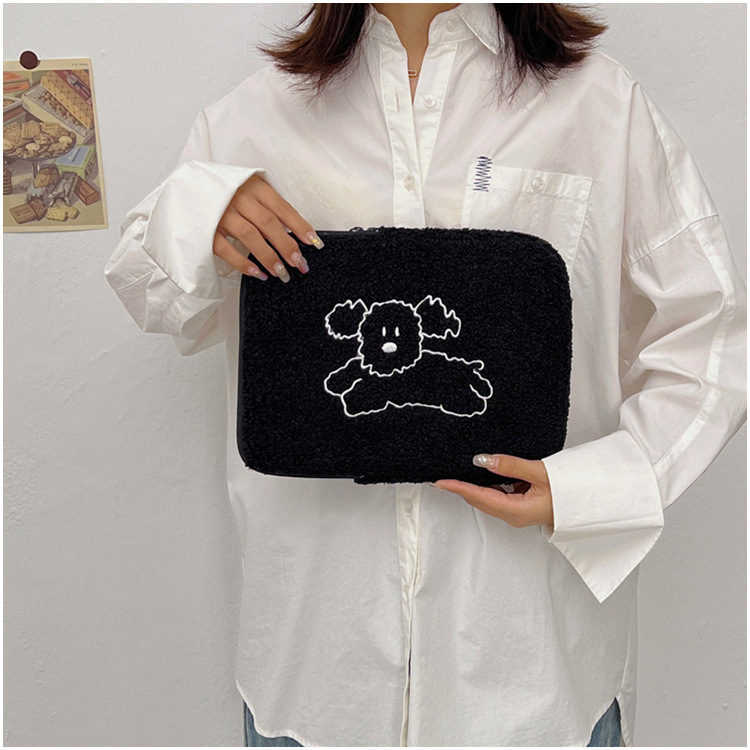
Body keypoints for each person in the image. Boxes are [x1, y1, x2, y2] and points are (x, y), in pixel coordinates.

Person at [104, 3, 746, 746]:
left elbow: (712, 334)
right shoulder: (251, 119)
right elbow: (155, 300)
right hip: (316, 673)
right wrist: (201, 210)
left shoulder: (600, 106)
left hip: (535, 673)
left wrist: (596, 489)